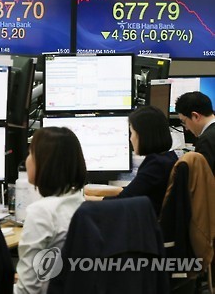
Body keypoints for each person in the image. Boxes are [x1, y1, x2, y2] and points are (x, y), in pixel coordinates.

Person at [14, 127, 87, 294]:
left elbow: (28, 289)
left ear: (45, 162)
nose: (27, 160)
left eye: (31, 153)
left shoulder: (42, 212)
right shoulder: (80, 203)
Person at [87, 106, 178, 216]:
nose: (131, 139)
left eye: (132, 133)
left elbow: (123, 201)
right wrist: (94, 192)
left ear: (144, 135)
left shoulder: (156, 165)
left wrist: (84, 200)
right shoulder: (168, 158)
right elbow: (133, 191)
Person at [175, 91, 215, 175]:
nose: (186, 128)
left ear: (195, 116)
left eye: (184, 121)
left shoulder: (206, 141)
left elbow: (203, 179)